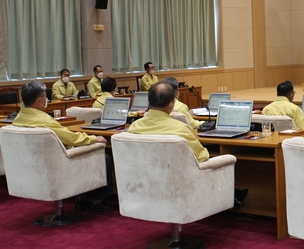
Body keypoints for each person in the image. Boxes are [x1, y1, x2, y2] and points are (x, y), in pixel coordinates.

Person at [13, 81, 115, 211]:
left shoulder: (18, 118)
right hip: (58, 165)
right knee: (103, 157)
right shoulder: (45, 121)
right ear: (40, 101)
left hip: (34, 165)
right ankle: (97, 201)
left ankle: (81, 198)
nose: (47, 100)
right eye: (46, 98)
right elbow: (72, 138)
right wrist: (94, 139)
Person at [128, 82, 209, 163]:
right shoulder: (181, 129)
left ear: (148, 102)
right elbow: (202, 157)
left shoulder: (134, 127)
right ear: (171, 106)